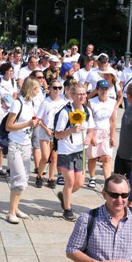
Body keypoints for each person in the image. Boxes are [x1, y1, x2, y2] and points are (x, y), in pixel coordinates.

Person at [55, 84, 95, 221]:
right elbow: (57, 134)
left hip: (80, 151)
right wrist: (72, 130)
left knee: (80, 183)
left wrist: (89, 138)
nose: (82, 96)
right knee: (70, 181)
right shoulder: (65, 112)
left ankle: (65, 196)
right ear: (72, 96)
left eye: (84, 94)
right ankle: (67, 208)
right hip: (66, 150)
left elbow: (91, 129)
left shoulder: (87, 111)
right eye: (79, 94)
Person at [5, 78, 40, 224]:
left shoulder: (30, 103)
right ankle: (10, 212)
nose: (39, 91)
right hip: (15, 144)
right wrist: (27, 123)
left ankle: (16, 207)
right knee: (18, 178)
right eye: (37, 88)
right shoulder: (17, 103)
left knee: (24, 177)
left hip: (26, 144)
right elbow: (9, 126)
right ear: (31, 89)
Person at [35, 79, 67, 189]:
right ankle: (39, 175)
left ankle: (51, 177)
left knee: (54, 157)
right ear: (50, 89)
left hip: (57, 132)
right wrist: (46, 129)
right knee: (45, 156)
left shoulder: (63, 103)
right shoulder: (46, 102)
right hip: (45, 131)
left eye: (59, 88)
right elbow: (38, 119)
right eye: (55, 88)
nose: (57, 90)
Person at [87, 79, 117, 187]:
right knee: (92, 157)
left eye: (105, 89)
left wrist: (113, 136)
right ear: (97, 90)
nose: (104, 91)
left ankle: (107, 181)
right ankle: (92, 177)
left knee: (107, 157)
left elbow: (113, 120)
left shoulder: (112, 102)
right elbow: (88, 120)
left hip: (106, 132)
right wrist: (90, 135)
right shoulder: (92, 102)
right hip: (94, 131)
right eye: (101, 89)